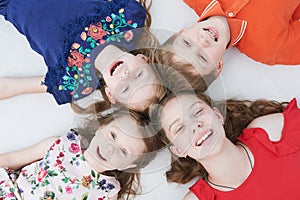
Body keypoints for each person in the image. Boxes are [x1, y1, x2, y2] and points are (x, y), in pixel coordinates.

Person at [148, 68, 300, 199]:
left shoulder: (270, 131)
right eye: (179, 128)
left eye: (197, 111)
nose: (195, 125)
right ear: (178, 150)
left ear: (218, 115)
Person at [0, 0, 164, 113]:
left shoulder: (74, 84)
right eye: (139, 75)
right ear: (144, 59)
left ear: (110, 94)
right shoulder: (130, 20)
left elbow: (11, 87)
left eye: (125, 89)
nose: (126, 76)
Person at [0, 109, 163, 200]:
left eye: (123, 151)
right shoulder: (60, 144)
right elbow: (11, 159)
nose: (110, 148)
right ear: (102, 127)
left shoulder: (108, 191)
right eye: (113, 135)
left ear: (128, 166)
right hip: (10, 192)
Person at [153, 0, 300, 90]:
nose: (202, 42)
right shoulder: (268, 48)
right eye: (202, 58)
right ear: (218, 67)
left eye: (186, 43)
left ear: (181, 32)